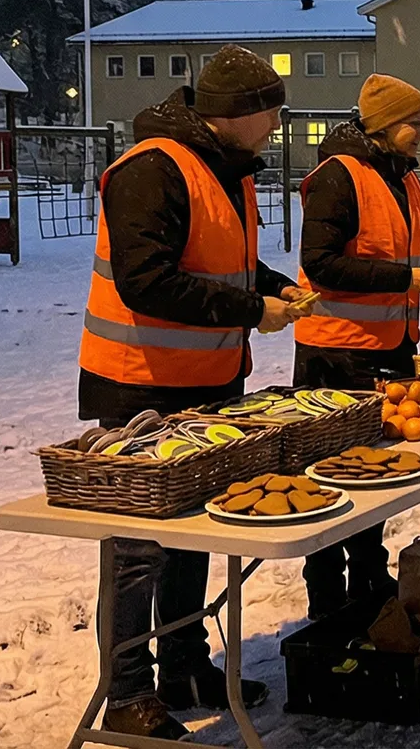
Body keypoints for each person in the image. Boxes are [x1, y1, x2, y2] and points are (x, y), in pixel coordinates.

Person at [76, 45, 299, 739]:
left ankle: (182, 667)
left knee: (193, 533)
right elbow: (148, 280)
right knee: (140, 546)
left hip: (204, 382)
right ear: (239, 113)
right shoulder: (154, 170)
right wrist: (249, 313)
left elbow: (222, 260)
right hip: (136, 385)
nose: (276, 125)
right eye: (272, 111)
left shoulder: (222, 171)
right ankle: (126, 693)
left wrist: (270, 285)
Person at [293, 74, 420, 620]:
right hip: (335, 351)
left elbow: (395, 255)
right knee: (329, 473)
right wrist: (404, 279)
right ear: (387, 126)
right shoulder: (338, 178)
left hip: (389, 345)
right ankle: (326, 592)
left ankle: (366, 575)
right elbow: (321, 263)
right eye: (418, 124)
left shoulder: (405, 180)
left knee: (376, 470)